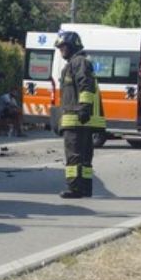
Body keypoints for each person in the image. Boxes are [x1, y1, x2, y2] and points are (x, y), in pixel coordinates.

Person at [55, 31, 105, 198]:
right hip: (75, 119)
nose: (61, 50)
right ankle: (85, 188)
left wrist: (84, 107)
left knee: (75, 156)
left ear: (73, 45)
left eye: (63, 47)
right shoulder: (75, 63)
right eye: (60, 47)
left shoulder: (78, 63)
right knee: (83, 158)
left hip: (77, 119)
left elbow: (85, 86)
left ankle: (75, 188)